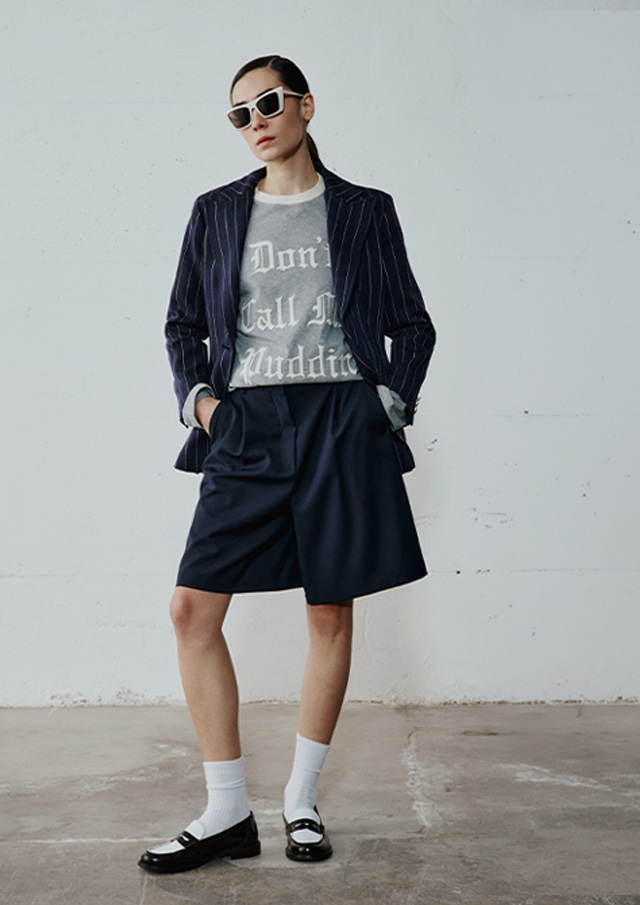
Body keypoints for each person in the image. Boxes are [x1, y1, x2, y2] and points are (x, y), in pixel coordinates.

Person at [138, 54, 436, 874]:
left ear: (306, 104)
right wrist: (205, 405)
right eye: (239, 114)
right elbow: (182, 324)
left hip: (342, 417)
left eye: (267, 103)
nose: (256, 122)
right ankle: (226, 809)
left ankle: (301, 800)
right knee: (192, 611)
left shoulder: (365, 210)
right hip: (248, 421)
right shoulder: (215, 212)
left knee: (329, 611)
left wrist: (385, 405)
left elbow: (412, 324)